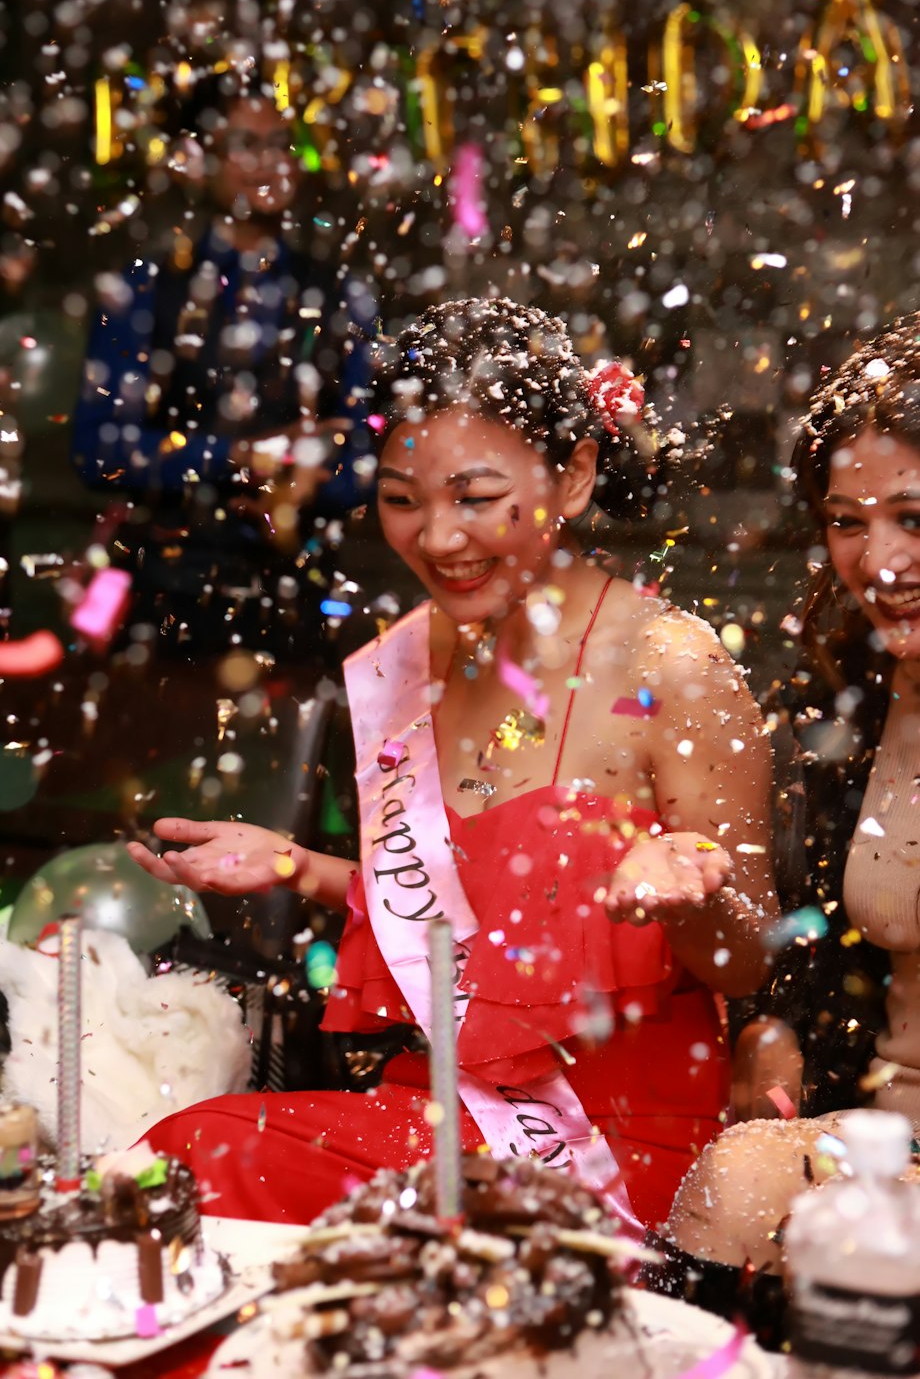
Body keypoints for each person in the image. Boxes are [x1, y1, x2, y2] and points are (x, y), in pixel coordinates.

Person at [127, 296, 776, 1230]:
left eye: (475, 498)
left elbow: (747, 963)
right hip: (439, 1105)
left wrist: (693, 897)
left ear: (577, 476)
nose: (436, 538)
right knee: (187, 1162)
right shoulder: (405, 660)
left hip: (611, 1138)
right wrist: (297, 867)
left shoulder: (675, 668)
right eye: (402, 500)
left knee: (198, 1160)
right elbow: (472, 927)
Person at [660, 312, 920, 1299]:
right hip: (874, 1136)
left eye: (913, 516)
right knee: (735, 1181)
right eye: (847, 521)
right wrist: (768, 1027)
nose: (879, 561)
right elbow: (802, 944)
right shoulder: (840, 707)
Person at [72, 70, 372, 662]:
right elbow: (98, 449)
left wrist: (310, 485)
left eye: (281, 142)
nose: (269, 162)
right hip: (165, 591)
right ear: (195, 159)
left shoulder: (340, 293)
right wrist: (237, 459)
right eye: (244, 144)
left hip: (300, 594)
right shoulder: (146, 288)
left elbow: (370, 452)